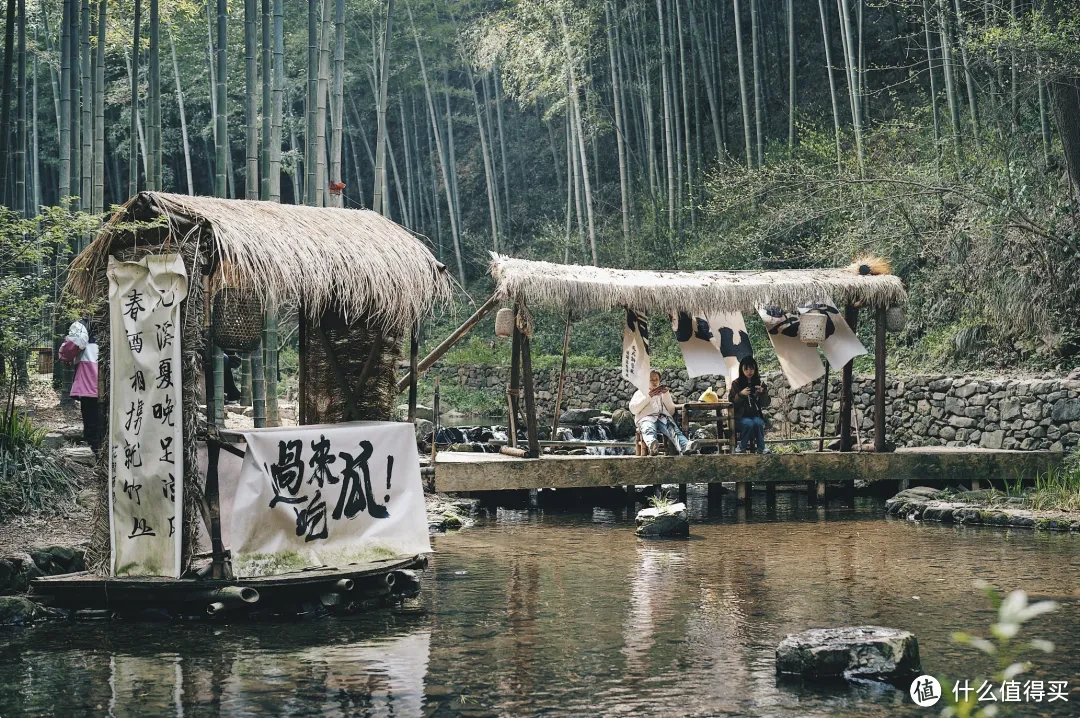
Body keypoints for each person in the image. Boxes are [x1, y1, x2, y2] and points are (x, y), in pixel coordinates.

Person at [629, 370, 697, 455]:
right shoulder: (640, 392)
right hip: (646, 418)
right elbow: (633, 409)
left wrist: (666, 395)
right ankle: (652, 445)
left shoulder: (662, 393)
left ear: (659, 381)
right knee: (648, 428)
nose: (654, 382)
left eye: (656, 379)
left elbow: (671, 411)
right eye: (651, 380)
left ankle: (686, 445)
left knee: (674, 430)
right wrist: (649, 397)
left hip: (662, 417)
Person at [58, 318, 101, 456]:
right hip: (109, 377)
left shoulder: (81, 324)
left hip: (90, 376)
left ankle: (96, 451)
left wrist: (63, 353)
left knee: (90, 417)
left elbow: (76, 343)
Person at [728, 356, 771, 454]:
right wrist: (741, 395)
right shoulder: (736, 383)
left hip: (754, 415)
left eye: (751, 368)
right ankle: (741, 447)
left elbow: (765, 404)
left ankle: (761, 448)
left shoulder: (759, 382)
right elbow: (731, 402)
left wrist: (763, 393)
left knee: (758, 422)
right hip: (739, 417)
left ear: (755, 369)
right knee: (749, 423)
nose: (749, 371)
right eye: (746, 369)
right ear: (741, 370)